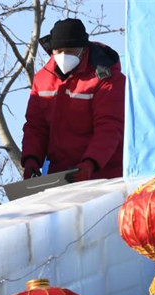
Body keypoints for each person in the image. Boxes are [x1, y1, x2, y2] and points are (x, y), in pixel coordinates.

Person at [21, 18, 125, 182]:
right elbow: (36, 126)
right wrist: (31, 159)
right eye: (59, 51)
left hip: (105, 175)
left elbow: (109, 127)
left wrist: (91, 163)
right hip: (61, 175)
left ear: (83, 49)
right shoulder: (42, 80)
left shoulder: (106, 79)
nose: (64, 56)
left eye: (70, 51)